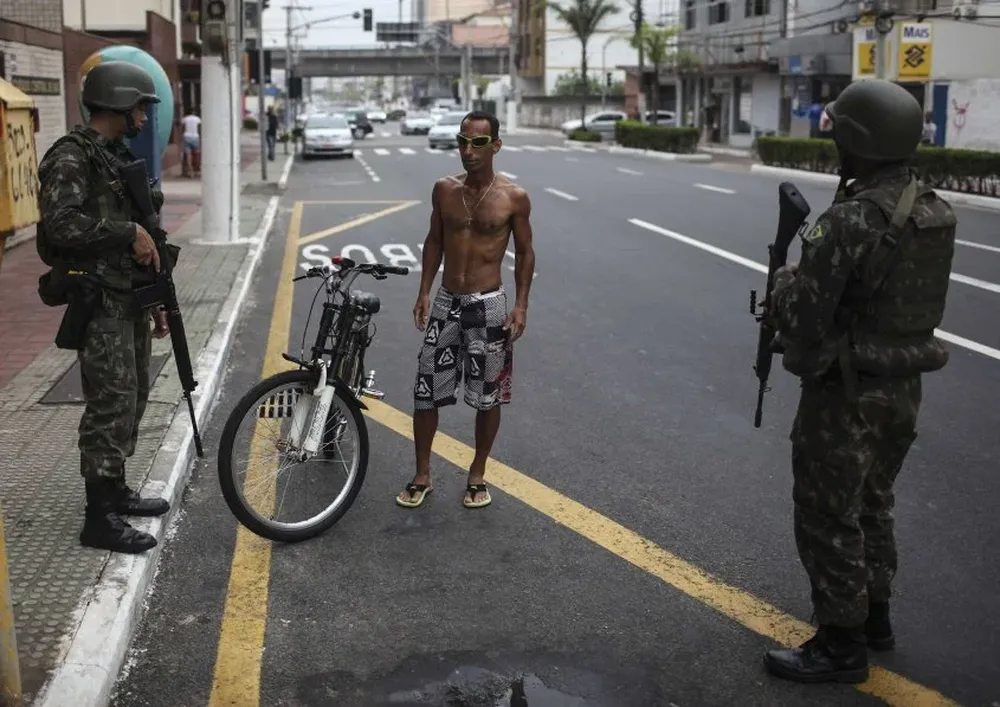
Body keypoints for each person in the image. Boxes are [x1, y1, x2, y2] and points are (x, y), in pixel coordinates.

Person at [762, 79, 957, 683]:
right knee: (874, 502)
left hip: (845, 391)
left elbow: (803, 315)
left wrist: (781, 285)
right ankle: (875, 617)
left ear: (859, 140)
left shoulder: (850, 218)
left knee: (826, 512)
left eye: (842, 135)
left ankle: (840, 646)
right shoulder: (932, 209)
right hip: (902, 386)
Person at [36, 60, 173, 554]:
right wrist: (126, 233)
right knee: (109, 404)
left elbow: (147, 231)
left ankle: (113, 488)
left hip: (129, 297)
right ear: (117, 102)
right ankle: (98, 519)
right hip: (99, 301)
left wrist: (155, 295)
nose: (144, 116)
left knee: (132, 397)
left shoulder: (113, 156)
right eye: (140, 106)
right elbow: (61, 226)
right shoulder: (72, 159)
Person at [396, 110, 535, 510]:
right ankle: (423, 473)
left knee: (486, 396)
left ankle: (477, 472)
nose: (468, 151)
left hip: (489, 306)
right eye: (463, 141)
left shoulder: (513, 197)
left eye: (477, 143)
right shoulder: (444, 189)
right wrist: (424, 291)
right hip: (446, 301)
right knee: (427, 389)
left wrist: (521, 305)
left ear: (495, 145)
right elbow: (434, 241)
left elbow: (525, 253)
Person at [180, 108, 201, 177]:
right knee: (196, 154)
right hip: (195, 137)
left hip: (187, 136)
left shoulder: (185, 119)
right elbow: (199, 126)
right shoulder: (197, 119)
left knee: (188, 155)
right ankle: (197, 170)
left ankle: (190, 171)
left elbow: (182, 125)